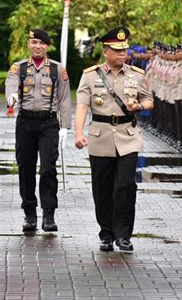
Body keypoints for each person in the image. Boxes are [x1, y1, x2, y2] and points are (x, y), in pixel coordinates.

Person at [75, 26, 153, 252]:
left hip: (128, 136)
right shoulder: (90, 75)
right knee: (103, 187)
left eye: (124, 50)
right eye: (117, 50)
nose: (123, 54)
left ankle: (124, 235)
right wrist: (79, 134)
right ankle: (106, 233)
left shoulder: (136, 75)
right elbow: (81, 107)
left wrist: (140, 105)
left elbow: (149, 100)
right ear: (105, 50)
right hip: (100, 137)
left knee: (126, 186)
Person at [5, 28, 71, 232]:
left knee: (48, 169)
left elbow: (64, 99)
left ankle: (49, 214)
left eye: (42, 43)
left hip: (48, 124)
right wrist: (12, 98)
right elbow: (11, 85)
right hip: (25, 122)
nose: (38, 46)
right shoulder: (19, 68)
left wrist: (65, 128)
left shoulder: (57, 70)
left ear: (47, 46)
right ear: (29, 44)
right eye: (34, 42)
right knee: (25, 168)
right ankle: (30, 214)